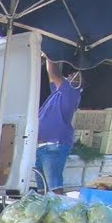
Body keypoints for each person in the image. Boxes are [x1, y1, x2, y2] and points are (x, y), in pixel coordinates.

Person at [35, 57, 83, 192]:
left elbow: (53, 72)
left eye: (77, 75)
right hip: (43, 146)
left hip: (53, 145)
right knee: (43, 188)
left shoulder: (71, 91)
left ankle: (58, 205)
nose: (72, 75)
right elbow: (52, 76)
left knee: (53, 186)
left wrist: (50, 54)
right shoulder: (59, 93)